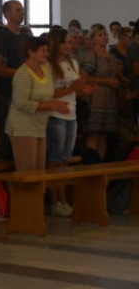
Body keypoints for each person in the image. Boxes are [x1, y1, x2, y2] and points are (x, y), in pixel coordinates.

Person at [46, 27, 92, 217]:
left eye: (68, 42)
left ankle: (64, 199)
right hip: (55, 114)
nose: (67, 46)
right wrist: (71, 88)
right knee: (55, 160)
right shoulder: (48, 65)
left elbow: (75, 90)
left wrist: (83, 89)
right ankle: (54, 201)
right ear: (56, 44)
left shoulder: (73, 62)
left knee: (65, 160)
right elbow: (48, 94)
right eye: (64, 42)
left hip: (71, 113)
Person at [6, 36, 69, 172]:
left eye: (47, 51)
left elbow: (47, 95)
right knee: (27, 172)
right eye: (43, 50)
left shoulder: (45, 70)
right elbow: (20, 103)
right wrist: (49, 105)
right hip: (23, 127)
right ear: (31, 52)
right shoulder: (23, 74)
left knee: (39, 173)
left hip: (39, 127)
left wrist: (57, 104)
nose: (46, 54)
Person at [80, 23, 121, 160]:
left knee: (104, 135)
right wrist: (107, 82)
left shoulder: (112, 57)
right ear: (93, 38)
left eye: (105, 34)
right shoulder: (91, 55)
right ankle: (91, 164)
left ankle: (100, 166)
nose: (103, 37)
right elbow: (84, 77)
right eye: (99, 35)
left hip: (109, 100)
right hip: (95, 98)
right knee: (94, 134)